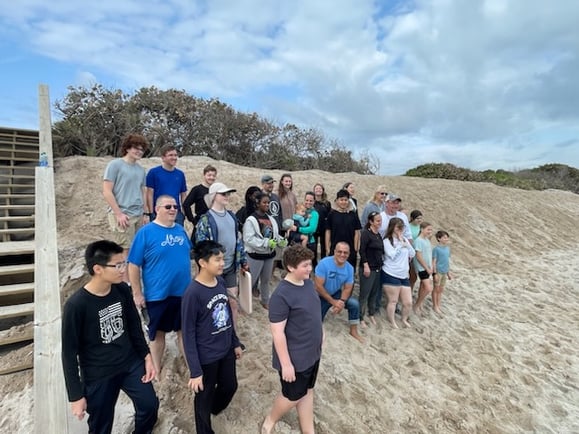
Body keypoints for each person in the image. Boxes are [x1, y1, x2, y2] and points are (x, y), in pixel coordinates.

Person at [62, 240, 159, 434]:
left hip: (130, 363)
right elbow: (69, 354)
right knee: (101, 426)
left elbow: (134, 326)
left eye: (124, 263)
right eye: (118, 265)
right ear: (98, 268)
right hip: (99, 374)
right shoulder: (76, 305)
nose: (123, 269)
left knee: (149, 405)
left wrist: (147, 356)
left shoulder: (122, 289)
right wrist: (76, 396)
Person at [182, 240, 243, 434]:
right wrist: (195, 370)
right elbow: (188, 334)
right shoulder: (193, 293)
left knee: (230, 386)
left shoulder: (221, 282)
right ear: (202, 262)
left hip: (225, 350)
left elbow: (227, 318)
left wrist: (235, 343)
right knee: (203, 396)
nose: (222, 263)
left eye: (222, 259)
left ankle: (215, 409)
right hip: (206, 356)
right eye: (217, 260)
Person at [261, 245, 323, 434]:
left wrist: (321, 336)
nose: (309, 268)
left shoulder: (308, 284)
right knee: (292, 395)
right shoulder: (281, 295)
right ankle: (270, 420)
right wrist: (286, 364)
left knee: (307, 390)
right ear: (290, 267)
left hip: (313, 353)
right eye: (305, 265)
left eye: (310, 264)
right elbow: (277, 333)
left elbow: (314, 314)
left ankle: (308, 429)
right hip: (295, 358)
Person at [128, 195, 192, 376]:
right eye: (168, 207)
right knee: (157, 335)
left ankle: (191, 366)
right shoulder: (146, 232)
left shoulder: (180, 230)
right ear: (157, 209)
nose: (173, 209)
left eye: (175, 206)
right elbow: (133, 264)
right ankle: (156, 369)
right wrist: (137, 293)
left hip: (183, 293)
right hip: (157, 294)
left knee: (184, 332)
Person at [195, 182, 249, 336]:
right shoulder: (205, 220)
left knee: (232, 302)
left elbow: (238, 240)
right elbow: (201, 247)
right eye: (223, 194)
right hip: (213, 272)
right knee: (214, 305)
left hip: (231, 267)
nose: (227, 196)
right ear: (213, 196)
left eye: (227, 193)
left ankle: (233, 336)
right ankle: (215, 334)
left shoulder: (232, 216)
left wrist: (243, 260)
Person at [102, 133, 150, 253]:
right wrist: (118, 214)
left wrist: (145, 214)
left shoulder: (140, 170)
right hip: (122, 215)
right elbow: (107, 191)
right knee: (125, 252)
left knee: (138, 250)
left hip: (138, 214)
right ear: (127, 148)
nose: (139, 151)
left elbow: (142, 192)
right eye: (136, 148)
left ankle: (136, 272)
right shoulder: (115, 165)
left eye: (141, 149)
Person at [242, 192, 287, 309]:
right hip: (255, 255)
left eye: (268, 202)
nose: (267, 205)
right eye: (265, 202)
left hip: (269, 255)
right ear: (257, 203)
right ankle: (243, 302)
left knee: (266, 280)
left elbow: (274, 235)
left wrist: (281, 241)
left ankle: (265, 300)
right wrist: (266, 243)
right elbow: (248, 239)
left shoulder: (271, 219)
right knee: (250, 281)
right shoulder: (251, 220)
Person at [314, 242, 363, 342]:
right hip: (319, 295)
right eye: (339, 252)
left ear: (349, 254)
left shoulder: (349, 268)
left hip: (336, 293)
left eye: (345, 252)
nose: (342, 255)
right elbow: (318, 286)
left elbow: (347, 288)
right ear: (334, 252)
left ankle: (353, 331)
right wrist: (333, 302)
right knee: (316, 322)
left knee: (354, 304)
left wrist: (341, 302)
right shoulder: (324, 263)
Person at [375, 193, 412, 312]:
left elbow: (408, 235)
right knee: (381, 278)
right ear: (386, 203)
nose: (395, 205)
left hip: (400, 252)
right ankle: (377, 304)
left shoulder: (403, 216)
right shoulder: (381, 216)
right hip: (382, 249)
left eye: (397, 202)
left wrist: (409, 252)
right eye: (393, 202)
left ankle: (395, 305)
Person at [382, 218, 416, 328]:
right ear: (392, 227)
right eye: (398, 227)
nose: (400, 230)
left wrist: (404, 242)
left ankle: (404, 319)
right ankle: (392, 321)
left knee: (408, 302)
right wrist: (400, 245)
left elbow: (412, 253)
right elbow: (392, 255)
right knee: (393, 300)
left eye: (402, 227)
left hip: (403, 274)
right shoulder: (387, 241)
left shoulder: (404, 239)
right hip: (391, 272)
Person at [145, 145, 187, 225]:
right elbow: (149, 193)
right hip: (159, 212)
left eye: (175, 155)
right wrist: (151, 213)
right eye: (170, 155)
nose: (174, 157)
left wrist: (183, 213)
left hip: (175, 213)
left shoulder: (180, 174)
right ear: (163, 157)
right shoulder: (153, 172)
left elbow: (183, 194)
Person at [358, 211, 384, 327]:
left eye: (380, 220)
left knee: (374, 292)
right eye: (377, 221)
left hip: (378, 267)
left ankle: (371, 313)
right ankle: (360, 317)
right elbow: (361, 250)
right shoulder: (365, 234)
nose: (380, 223)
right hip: (368, 267)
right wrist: (365, 265)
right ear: (371, 222)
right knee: (364, 293)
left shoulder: (378, 234)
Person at [325, 189, 361, 268]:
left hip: (350, 249)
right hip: (335, 248)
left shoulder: (353, 214)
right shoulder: (332, 214)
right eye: (341, 200)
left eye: (345, 200)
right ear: (337, 200)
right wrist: (327, 248)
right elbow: (328, 231)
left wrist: (355, 249)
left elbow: (357, 232)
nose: (343, 202)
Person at [183, 164, 217, 231]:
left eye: (214, 176)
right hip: (200, 222)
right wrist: (193, 221)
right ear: (204, 175)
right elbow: (186, 204)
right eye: (209, 175)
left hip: (214, 222)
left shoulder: (217, 190)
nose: (211, 177)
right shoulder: (197, 189)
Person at [413, 222, 434, 316]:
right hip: (422, 267)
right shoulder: (418, 240)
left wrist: (431, 266)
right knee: (429, 288)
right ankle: (417, 304)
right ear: (422, 229)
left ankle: (419, 304)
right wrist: (426, 267)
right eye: (428, 229)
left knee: (423, 286)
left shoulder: (426, 240)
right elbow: (418, 256)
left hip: (428, 267)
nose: (430, 231)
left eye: (431, 229)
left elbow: (429, 254)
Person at [432, 230, 453, 314]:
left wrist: (448, 273)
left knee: (441, 289)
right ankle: (435, 305)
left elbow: (447, 261)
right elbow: (434, 262)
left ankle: (438, 305)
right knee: (436, 289)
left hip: (444, 271)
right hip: (438, 271)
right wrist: (434, 274)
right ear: (439, 238)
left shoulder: (448, 249)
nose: (446, 239)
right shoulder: (436, 249)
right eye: (444, 237)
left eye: (447, 237)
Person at [312, 183, 331, 263]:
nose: (318, 190)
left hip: (324, 228)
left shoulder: (327, 203)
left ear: (323, 191)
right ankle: (314, 264)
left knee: (324, 248)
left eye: (320, 188)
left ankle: (323, 263)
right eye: (317, 188)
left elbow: (329, 215)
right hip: (314, 228)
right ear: (314, 190)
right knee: (313, 248)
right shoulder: (312, 202)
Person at [408, 210, 424, 293]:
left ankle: (410, 290)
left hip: (416, 253)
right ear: (412, 218)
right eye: (417, 218)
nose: (419, 220)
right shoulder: (407, 226)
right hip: (408, 252)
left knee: (413, 275)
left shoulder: (421, 228)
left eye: (421, 218)